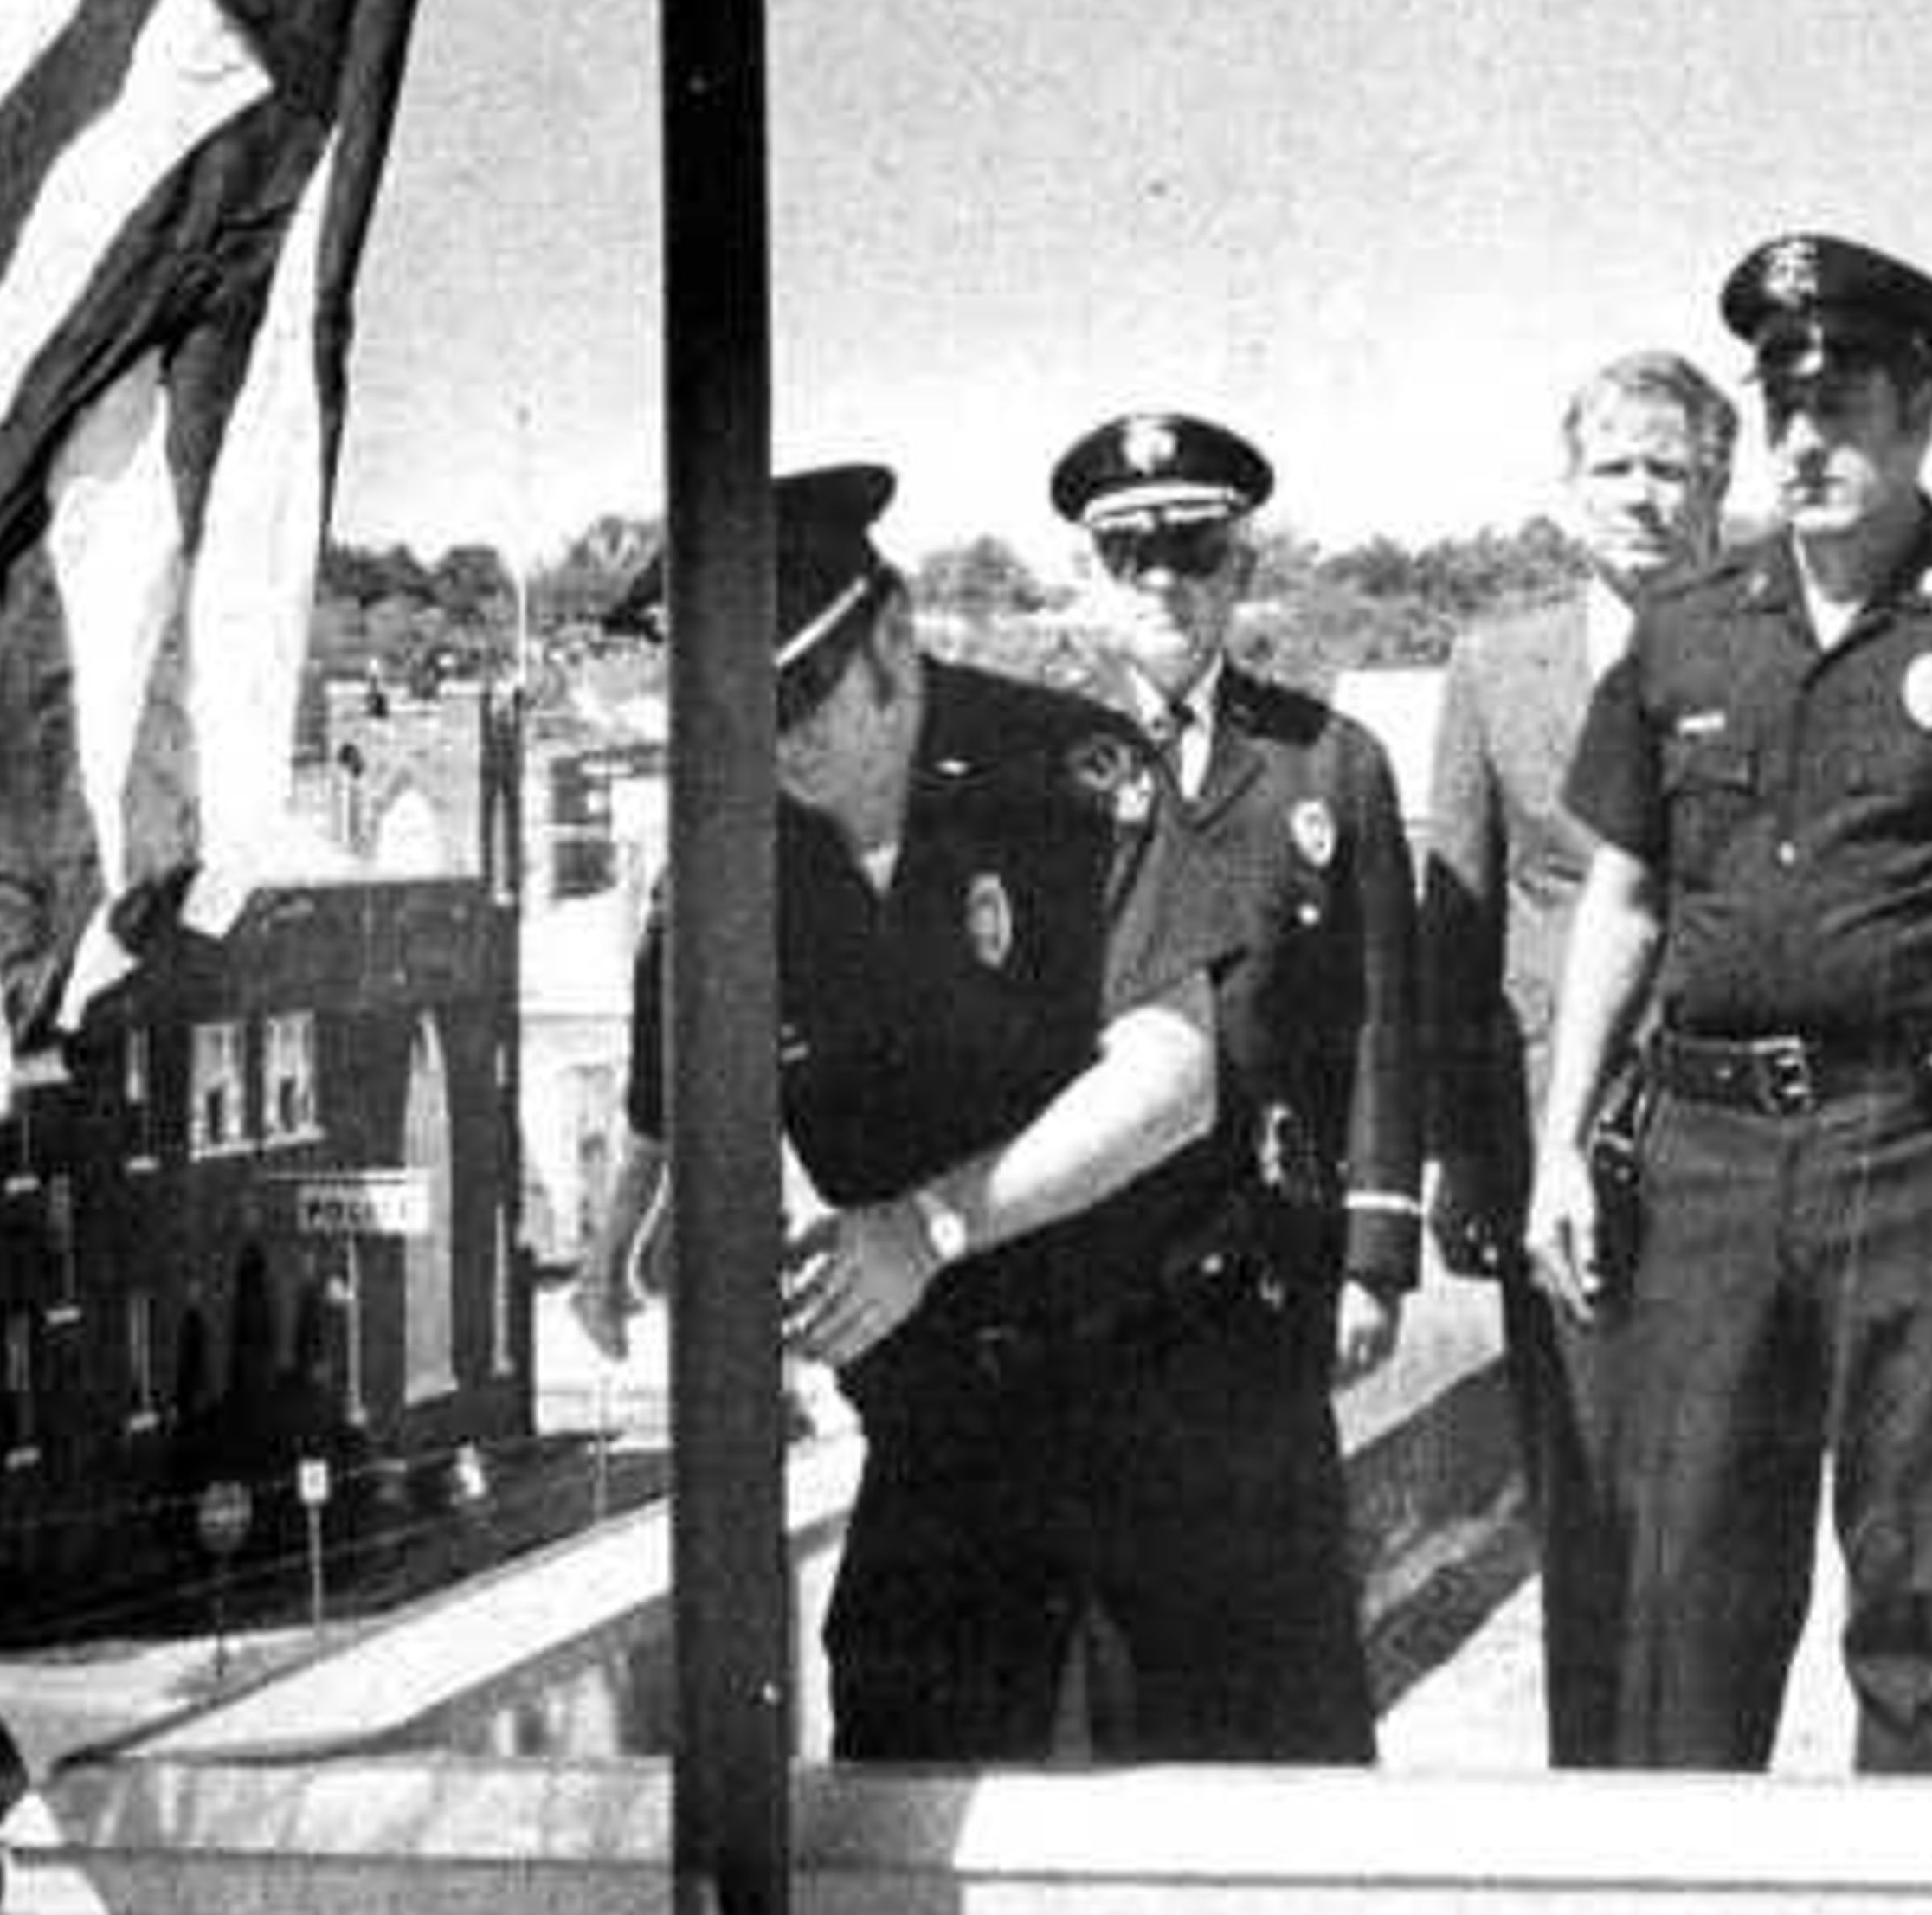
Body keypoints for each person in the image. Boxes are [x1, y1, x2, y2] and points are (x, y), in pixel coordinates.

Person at [1525, 232, 1932, 1774]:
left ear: (1918, 417)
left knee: (1913, 1612)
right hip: (1713, 1170)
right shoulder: (1688, 633)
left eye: (1845, 407)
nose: (1806, 444)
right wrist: (1557, 1151)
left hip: (1930, 1156)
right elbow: (1621, 901)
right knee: (1692, 1604)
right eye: (1784, 409)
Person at [579, 461, 1232, 1765]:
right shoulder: (730, 851)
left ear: (892, 629)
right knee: (895, 1796)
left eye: (804, 688)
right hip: (940, 1424)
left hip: (1141, 1391)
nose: (780, 739)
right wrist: (611, 1255)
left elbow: (1173, 1075)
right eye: (740, 708)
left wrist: (926, 1229)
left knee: (1174, 1841)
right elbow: (668, 1079)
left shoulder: (1070, 775)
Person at [1042, 403, 1424, 1761]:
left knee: (1286, 1636)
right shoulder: (1037, 765)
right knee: (1115, 1648)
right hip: (1094, 1270)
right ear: (1093, 574)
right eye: (1135, 556)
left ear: (1242, 570)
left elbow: (1382, 1016)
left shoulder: (1330, 764)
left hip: (1270, 1265)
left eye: (1196, 552)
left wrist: (1377, 1253)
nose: (1168, 585)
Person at [1421, 351, 1738, 1759]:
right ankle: (1592, 1800)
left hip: (1744, 1127)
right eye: (1616, 465)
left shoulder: (1768, 642)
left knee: (1727, 1503)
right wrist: (1458, 1151)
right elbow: (1458, 923)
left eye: (1674, 465)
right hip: (1564, 1148)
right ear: (1568, 489)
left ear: (1720, 484)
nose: (1645, 494)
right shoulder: (1494, 669)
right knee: (1589, 1500)